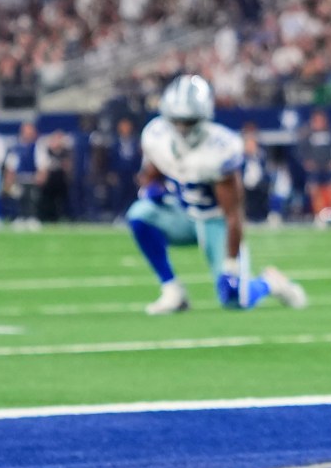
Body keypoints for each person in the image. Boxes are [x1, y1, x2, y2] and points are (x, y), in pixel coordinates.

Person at [126, 75, 308, 316]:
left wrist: (231, 267)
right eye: (177, 121)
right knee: (139, 214)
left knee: (235, 300)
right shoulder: (156, 136)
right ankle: (172, 290)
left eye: (189, 121)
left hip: (216, 223)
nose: (182, 128)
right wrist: (150, 188)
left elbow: (234, 214)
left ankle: (270, 282)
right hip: (184, 213)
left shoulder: (220, 149)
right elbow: (153, 172)